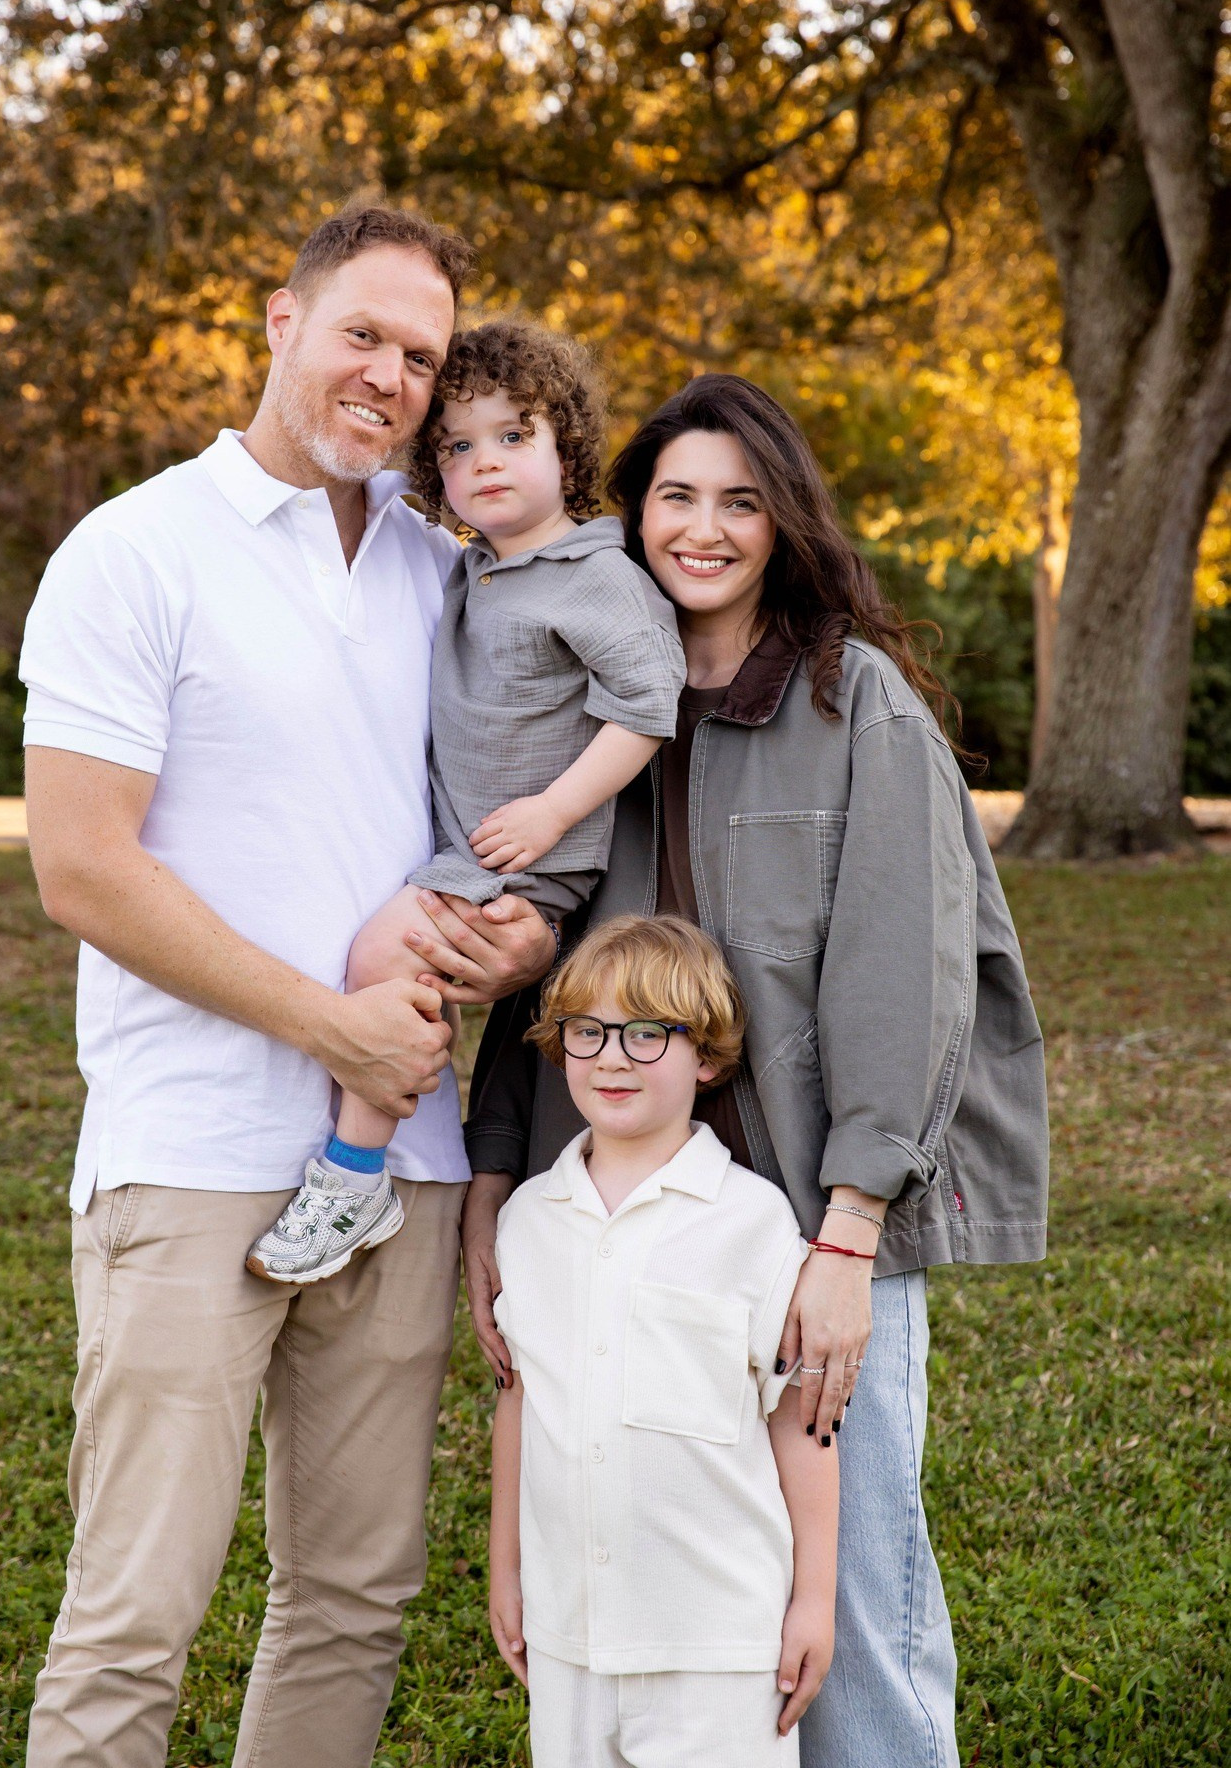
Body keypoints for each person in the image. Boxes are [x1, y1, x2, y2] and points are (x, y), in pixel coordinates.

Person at [18, 203, 556, 1768]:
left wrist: (517, 945)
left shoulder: (451, 574)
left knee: (352, 1601)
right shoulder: (136, 549)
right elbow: (82, 867)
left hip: (404, 1162)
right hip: (192, 1148)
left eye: (422, 358)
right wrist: (332, 1028)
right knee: (133, 1618)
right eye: (362, 335)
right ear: (281, 322)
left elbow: (492, 831)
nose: (390, 377)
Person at [460, 373, 1049, 1768]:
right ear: (631, 516)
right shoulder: (593, 710)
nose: (704, 529)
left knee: (850, 1604)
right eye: (675, 496)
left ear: (785, 522)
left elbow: (906, 984)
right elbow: (540, 974)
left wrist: (847, 1238)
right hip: (624, 1220)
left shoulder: (858, 706)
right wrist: (495, 1186)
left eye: (740, 500)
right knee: (666, 1564)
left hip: (812, 1223)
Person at [246, 319, 684, 1285]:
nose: (483, 461)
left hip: (524, 855)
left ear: (567, 448)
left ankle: (354, 1175)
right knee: (391, 969)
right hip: (479, 847)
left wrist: (552, 813)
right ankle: (364, 1153)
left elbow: (647, 707)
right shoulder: (477, 564)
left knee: (381, 960)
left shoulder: (596, 576)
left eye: (512, 435)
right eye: (455, 446)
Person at [489, 913, 839, 1767]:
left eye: (647, 1033)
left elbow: (798, 1421)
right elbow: (519, 1399)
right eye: (588, 1031)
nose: (612, 1057)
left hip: (719, 1642)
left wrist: (814, 1602)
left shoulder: (752, 1222)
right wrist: (507, 1570)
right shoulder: (528, 1219)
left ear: (706, 1056)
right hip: (569, 1635)